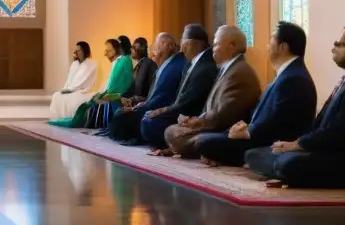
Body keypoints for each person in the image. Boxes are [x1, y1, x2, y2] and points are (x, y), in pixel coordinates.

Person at [246, 22, 345, 188]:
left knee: (287, 163)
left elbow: (342, 131)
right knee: (259, 154)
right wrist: (299, 143)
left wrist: (299, 145)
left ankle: (284, 170)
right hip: (329, 150)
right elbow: (321, 123)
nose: (333, 48)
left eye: (338, 44)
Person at [195, 22, 316, 167]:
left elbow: (277, 121)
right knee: (207, 139)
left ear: (283, 47)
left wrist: (248, 133)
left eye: (271, 40)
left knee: (205, 142)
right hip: (258, 134)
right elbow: (262, 110)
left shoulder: (294, 78)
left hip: (271, 141)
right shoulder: (286, 74)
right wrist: (243, 126)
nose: (267, 46)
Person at [162, 25, 261, 158]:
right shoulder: (227, 69)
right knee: (171, 130)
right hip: (213, 124)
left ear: (231, 46)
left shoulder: (240, 72)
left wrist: (199, 121)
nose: (212, 48)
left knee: (175, 133)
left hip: (226, 130)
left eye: (216, 44)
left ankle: (192, 148)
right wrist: (195, 120)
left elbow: (225, 113)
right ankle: (187, 148)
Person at [141, 24, 218, 152]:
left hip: (190, 116)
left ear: (193, 43)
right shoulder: (192, 62)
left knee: (149, 122)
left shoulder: (205, 66)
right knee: (147, 118)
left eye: (183, 41)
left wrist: (163, 110)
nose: (181, 47)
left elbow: (188, 101)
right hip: (180, 111)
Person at [108, 33, 186, 144]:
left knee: (119, 122)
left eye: (157, 48)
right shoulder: (166, 65)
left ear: (169, 46)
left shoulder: (174, 65)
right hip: (148, 105)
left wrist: (139, 106)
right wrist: (135, 101)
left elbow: (161, 98)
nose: (154, 52)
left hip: (160, 111)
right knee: (117, 116)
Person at [49, 38, 133, 129]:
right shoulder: (118, 62)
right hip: (102, 93)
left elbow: (115, 85)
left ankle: (79, 120)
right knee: (57, 96)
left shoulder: (122, 61)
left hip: (91, 92)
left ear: (114, 51)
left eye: (107, 51)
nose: (105, 54)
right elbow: (70, 79)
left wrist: (104, 95)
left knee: (85, 106)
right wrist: (67, 88)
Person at [48, 42, 99, 121]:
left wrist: (71, 90)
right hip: (71, 89)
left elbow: (83, 81)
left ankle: (71, 119)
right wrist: (65, 89)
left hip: (83, 91)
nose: (76, 52)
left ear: (84, 51)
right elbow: (69, 79)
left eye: (79, 50)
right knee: (56, 95)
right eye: (76, 50)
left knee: (73, 99)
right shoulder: (74, 64)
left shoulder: (92, 64)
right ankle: (59, 118)